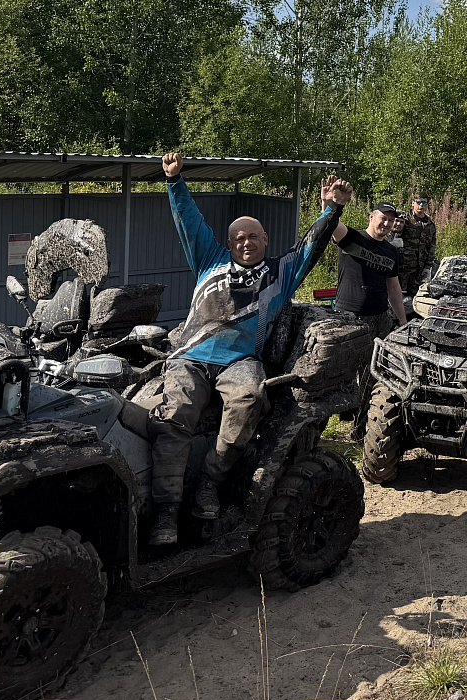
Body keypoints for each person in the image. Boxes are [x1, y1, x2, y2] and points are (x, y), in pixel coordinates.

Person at [149, 153, 350, 546]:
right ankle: (166, 511)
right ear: (229, 244)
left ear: (265, 240)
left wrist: (332, 209)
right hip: (190, 357)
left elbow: (311, 245)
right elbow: (188, 221)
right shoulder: (209, 259)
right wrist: (174, 181)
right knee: (174, 416)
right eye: (239, 237)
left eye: (253, 236)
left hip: (240, 362)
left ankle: (210, 481)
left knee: (249, 398)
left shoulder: (282, 273)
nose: (245, 242)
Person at [331, 202, 407, 337]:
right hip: (349, 317)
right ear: (372, 217)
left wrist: (402, 320)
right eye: (383, 218)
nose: (386, 223)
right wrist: (330, 204)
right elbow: (331, 223)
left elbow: (394, 287)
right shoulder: (352, 239)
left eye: (391, 220)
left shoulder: (391, 251)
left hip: (380, 318)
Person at [396, 195, 437, 296]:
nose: (421, 205)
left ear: (427, 205)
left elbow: (431, 247)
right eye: (419, 202)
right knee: (398, 296)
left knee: (416, 297)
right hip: (403, 268)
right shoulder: (404, 219)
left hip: (419, 270)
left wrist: (428, 267)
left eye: (424, 203)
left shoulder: (430, 225)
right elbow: (393, 237)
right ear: (413, 203)